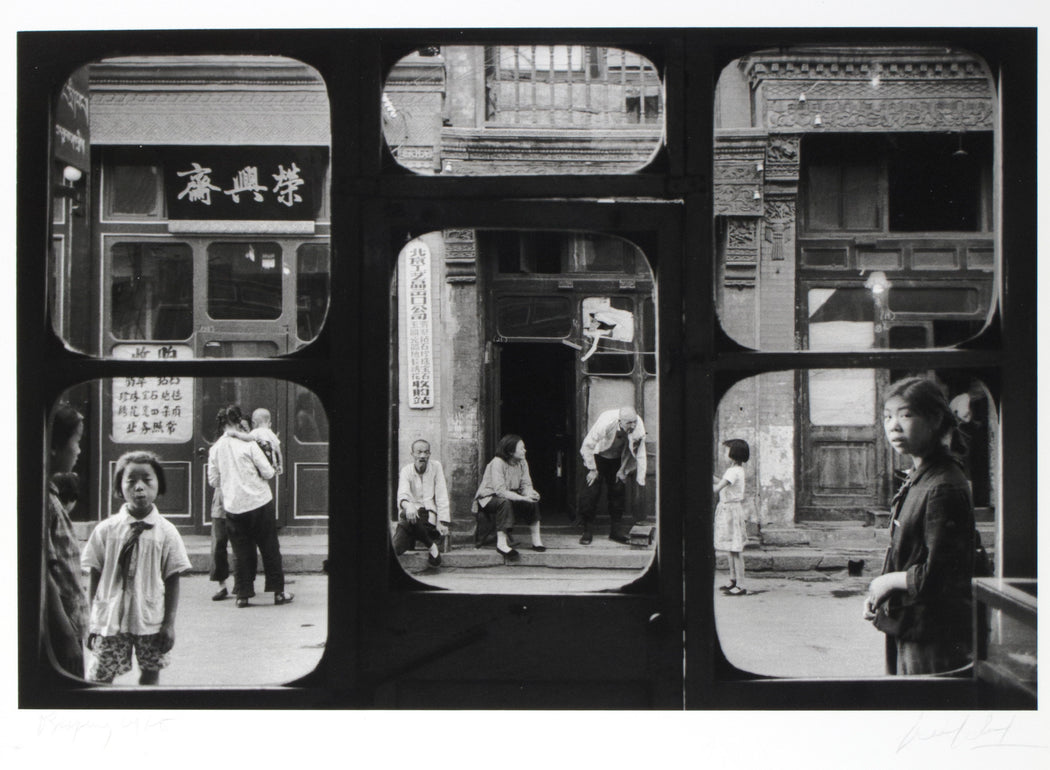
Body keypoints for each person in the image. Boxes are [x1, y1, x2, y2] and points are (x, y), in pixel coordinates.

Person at [863, 376, 976, 675]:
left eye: (906, 415)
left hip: (933, 634)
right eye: (887, 416)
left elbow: (940, 574)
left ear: (935, 418)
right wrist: (881, 593)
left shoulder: (942, 486)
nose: (893, 426)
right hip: (911, 622)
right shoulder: (921, 476)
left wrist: (886, 582)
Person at [81, 451, 192, 684]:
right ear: (119, 486)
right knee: (100, 675)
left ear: (158, 484)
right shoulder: (106, 530)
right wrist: (94, 620)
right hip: (110, 617)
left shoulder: (167, 532)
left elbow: (173, 578)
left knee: (151, 672)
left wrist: (169, 624)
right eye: (131, 481)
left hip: (150, 618)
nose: (139, 487)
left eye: (147, 480)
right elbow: (95, 573)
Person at [208, 404, 294, 608]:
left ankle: (243, 595)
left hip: (234, 507)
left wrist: (231, 482)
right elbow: (268, 472)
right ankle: (278, 593)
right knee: (269, 547)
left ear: (221, 425)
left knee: (241, 551)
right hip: (260, 502)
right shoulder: (249, 444)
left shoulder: (215, 449)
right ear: (239, 422)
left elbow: (213, 480)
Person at [45, 404, 90, 678]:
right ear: (55, 447)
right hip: (60, 627)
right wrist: (65, 634)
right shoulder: (45, 502)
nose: (79, 450)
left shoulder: (50, 495)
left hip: (69, 622)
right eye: (77, 441)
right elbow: (45, 574)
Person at [578, 406, 647, 544]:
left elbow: (633, 450)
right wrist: (592, 469)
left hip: (617, 460)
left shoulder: (637, 425)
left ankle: (615, 532)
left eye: (634, 422)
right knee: (591, 493)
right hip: (598, 458)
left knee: (618, 494)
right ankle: (587, 531)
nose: (632, 425)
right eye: (628, 423)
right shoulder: (606, 422)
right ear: (620, 421)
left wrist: (623, 470)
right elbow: (587, 445)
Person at [472, 434, 544, 560]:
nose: (525, 451)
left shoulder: (522, 462)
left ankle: (536, 541)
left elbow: (526, 484)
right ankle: (501, 544)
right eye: (521, 448)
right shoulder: (497, 463)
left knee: (532, 502)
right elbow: (500, 491)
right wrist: (522, 498)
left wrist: (530, 493)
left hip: (511, 495)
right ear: (510, 451)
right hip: (488, 498)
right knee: (503, 502)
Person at [393, 439, 450, 567]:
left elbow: (442, 494)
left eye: (426, 452)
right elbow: (402, 494)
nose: (422, 456)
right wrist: (409, 506)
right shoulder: (406, 471)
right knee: (397, 546)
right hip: (410, 515)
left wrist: (443, 521)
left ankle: (428, 546)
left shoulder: (436, 467)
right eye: (419, 452)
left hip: (428, 517)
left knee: (405, 521)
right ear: (412, 454)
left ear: (430, 454)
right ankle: (431, 545)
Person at [713, 438, 751, 596]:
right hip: (732, 510)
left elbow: (717, 488)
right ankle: (733, 580)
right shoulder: (737, 470)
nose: (724, 452)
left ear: (732, 453)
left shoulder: (732, 471)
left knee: (735, 549)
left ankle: (740, 584)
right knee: (731, 548)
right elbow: (722, 482)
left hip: (730, 511)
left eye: (726, 449)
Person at [250, 407, 284, 475]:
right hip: (271, 465)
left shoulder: (255, 432)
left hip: (259, 464)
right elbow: (278, 451)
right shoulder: (272, 434)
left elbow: (248, 441)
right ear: (269, 423)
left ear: (254, 423)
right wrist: (280, 465)